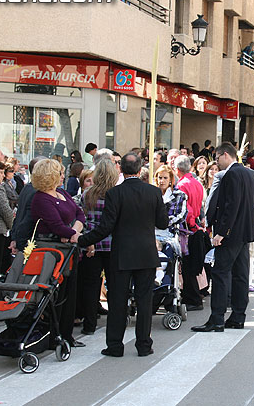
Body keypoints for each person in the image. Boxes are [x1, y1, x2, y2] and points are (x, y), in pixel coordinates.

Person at [76, 153, 168, 357]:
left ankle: (115, 345)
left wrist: (83, 240)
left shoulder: (115, 193)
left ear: (122, 170)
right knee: (144, 301)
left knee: (117, 300)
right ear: (139, 169)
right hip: (145, 253)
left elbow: (106, 227)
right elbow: (163, 223)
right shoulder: (153, 192)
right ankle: (144, 345)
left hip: (122, 254)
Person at [192, 143, 254, 332]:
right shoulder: (249, 173)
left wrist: (222, 232)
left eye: (218, 158)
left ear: (225, 155)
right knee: (240, 276)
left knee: (220, 274)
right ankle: (238, 317)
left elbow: (231, 205)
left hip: (231, 234)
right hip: (245, 232)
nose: (217, 162)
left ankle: (217, 318)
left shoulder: (231, 174)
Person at [30, 158, 86, 347]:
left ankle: (67, 335)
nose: (63, 176)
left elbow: (80, 213)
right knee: (56, 293)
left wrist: (74, 234)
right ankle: (53, 335)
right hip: (52, 252)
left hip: (69, 249)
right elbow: (56, 226)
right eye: (60, 173)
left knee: (71, 292)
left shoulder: (62, 193)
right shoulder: (40, 198)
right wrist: (73, 233)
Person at [76, 160, 118, 336]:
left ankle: (89, 324)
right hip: (113, 244)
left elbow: (81, 219)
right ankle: (116, 322)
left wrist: (87, 239)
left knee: (90, 285)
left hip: (91, 244)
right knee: (114, 286)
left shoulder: (88, 194)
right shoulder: (116, 194)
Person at [174, 155, 208, 311]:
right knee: (192, 265)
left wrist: (192, 224)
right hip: (195, 227)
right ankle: (194, 296)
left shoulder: (181, 185)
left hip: (188, 229)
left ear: (177, 169)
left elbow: (186, 210)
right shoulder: (196, 183)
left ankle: (193, 298)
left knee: (187, 265)